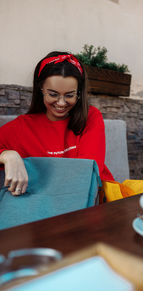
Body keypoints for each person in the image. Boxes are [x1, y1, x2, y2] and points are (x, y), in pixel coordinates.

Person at [0, 51, 114, 196]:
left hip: (92, 201)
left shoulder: (91, 117)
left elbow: (86, 173)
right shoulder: (22, 127)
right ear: (41, 90)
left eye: (70, 95)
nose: (61, 103)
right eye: (53, 94)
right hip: (46, 207)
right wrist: (7, 155)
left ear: (79, 93)